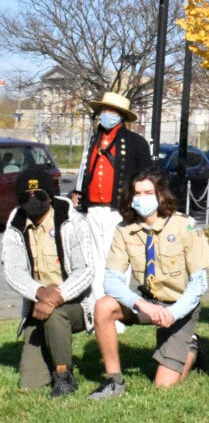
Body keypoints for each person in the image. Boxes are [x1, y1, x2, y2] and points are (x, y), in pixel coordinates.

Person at [88, 168, 209, 400]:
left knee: (163, 387)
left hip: (180, 306)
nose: (142, 198)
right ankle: (114, 380)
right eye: (137, 193)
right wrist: (142, 304)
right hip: (148, 302)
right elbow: (111, 281)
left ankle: (192, 348)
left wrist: (173, 314)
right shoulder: (124, 230)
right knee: (103, 306)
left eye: (148, 193)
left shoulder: (185, 225)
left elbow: (198, 284)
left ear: (161, 194)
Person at [2, 169, 96, 397]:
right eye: (26, 196)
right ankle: (48, 352)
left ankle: (64, 376)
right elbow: (13, 271)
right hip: (38, 303)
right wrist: (41, 292)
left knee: (56, 313)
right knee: (30, 383)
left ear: (51, 197)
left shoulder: (73, 221)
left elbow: (86, 270)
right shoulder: (16, 225)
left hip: (75, 303)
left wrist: (57, 296)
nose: (33, 200)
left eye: (40, 195)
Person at [72, 92, 151, 300]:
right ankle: (97, 304)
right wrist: (79, 193)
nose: (106, 114)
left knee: (116, 261)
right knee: (94, 259)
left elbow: (147, 176)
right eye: (104, 110)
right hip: (93, 208)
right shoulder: (94, 140)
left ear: (121, 115)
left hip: (118, 209)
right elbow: (87, 172)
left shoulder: (135, 142)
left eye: (112, 111)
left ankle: (116, 305)